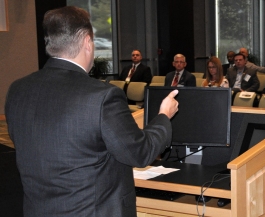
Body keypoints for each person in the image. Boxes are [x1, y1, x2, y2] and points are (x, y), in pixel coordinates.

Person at [4, 6, 179, 217]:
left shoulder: (18, 90)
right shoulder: (102, 96)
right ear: (87, 41)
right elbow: (139, 153)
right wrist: (163, 116)